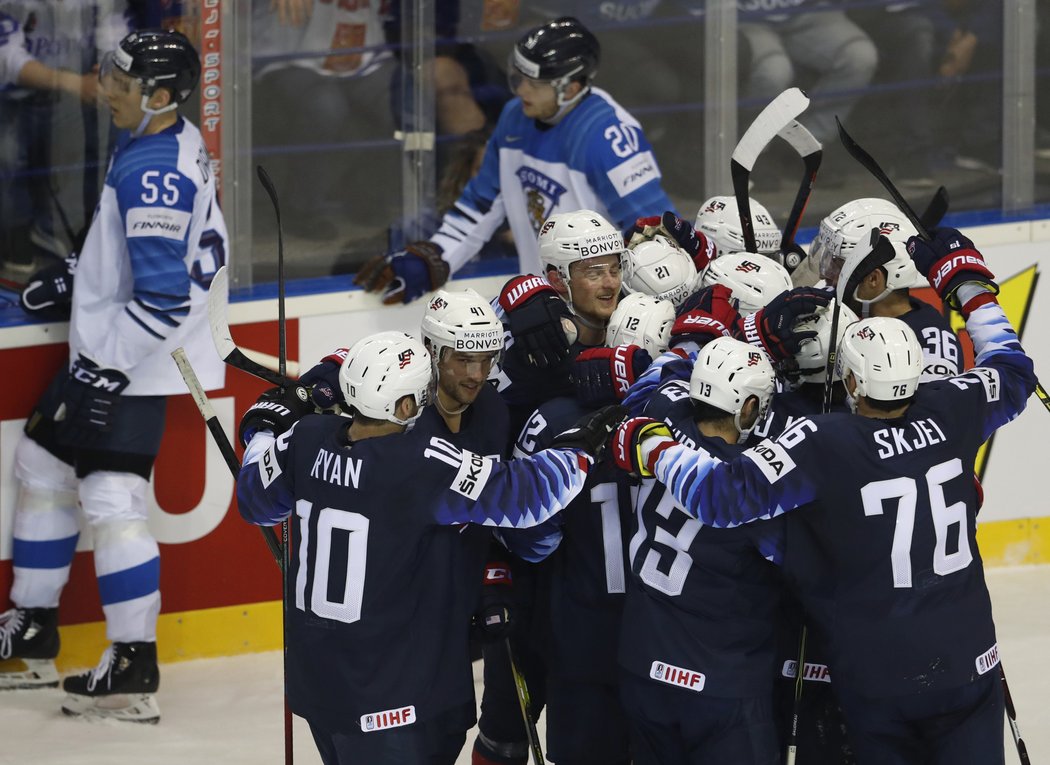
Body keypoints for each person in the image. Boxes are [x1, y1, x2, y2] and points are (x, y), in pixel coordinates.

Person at [614, 226, 1035, 764]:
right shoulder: (952, 406)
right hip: (971, 658)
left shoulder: (824, 443)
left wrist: (653, 445)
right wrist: (968, 286)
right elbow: (1013, 371)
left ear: (854, 383)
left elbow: (720, 497)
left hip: (878, 678)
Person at [235, 331, 621, 765]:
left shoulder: (305, 438)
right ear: (404, 406)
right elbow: (529, 498)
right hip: (392, 701)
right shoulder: (421, 463)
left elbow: (255, 502)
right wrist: (582, 446)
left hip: (320, 690)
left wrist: (262, 428)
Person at [0, 29, 226, 724]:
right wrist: (77, 276)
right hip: (118, 353)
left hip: (131, 360)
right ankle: (34, 626)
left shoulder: (151, 164)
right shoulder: (163, 137)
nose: (106, 91)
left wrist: (103, 369)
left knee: (111, 496)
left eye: (121, 85)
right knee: (42, 462)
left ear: (159, 96)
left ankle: (132, 662)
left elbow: (162, 296)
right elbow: (149, 252)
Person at [355, 16, 676, 304]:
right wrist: (434, 258)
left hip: (604, 310)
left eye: (534, 84)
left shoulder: (607, 136)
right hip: (542, 304)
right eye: (519, 77)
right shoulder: (514, 119)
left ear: (572, 88)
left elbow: (658, 237)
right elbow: (479, 207)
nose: (521, 90)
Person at [0, 4, 118, 274]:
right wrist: (73, 83)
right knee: (9, 159)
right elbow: (6, 59)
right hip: (12, 96)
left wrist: (111, 70)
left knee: (90, 151)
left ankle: (61, 233)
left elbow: (113, 30)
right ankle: (15, 243)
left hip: (71, 95)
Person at [813, 198, 962, 380]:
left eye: (836, 265)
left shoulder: (932, 346)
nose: (825, 275)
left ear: (874, 279)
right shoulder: (837, 305)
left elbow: (930, 408)